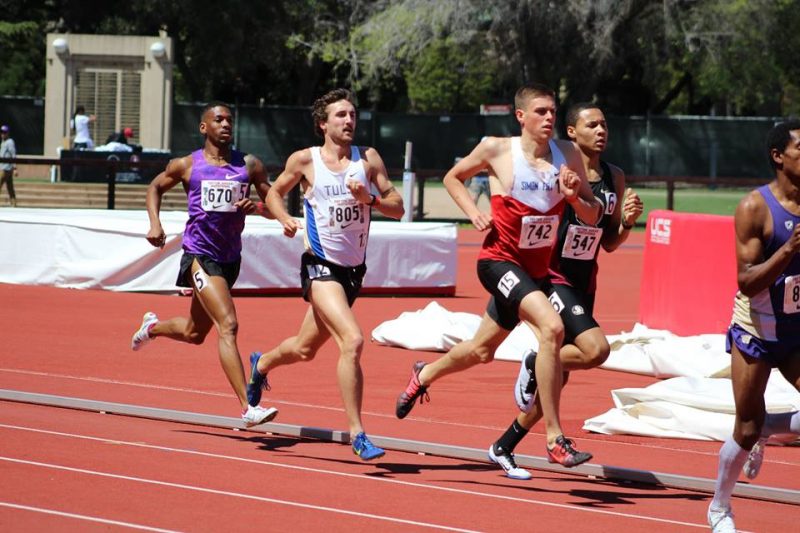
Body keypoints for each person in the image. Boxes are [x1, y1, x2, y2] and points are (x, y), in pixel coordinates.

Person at [394, 83, 603, 467]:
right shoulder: (497, 149)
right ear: (520, 116)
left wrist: (574, 197)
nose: (549, 118)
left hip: (536, 273)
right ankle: (555, 437)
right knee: (552, 329)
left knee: (480, 350)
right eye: (541, 112)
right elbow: (453, 177)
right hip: (498, 262)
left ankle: (423, 375)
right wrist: (472, 213)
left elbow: (593, 214)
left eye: (553, 112)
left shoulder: (567, 154)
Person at [247, 88, 404, 461]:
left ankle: (262, 363)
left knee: (304, 349)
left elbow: (397, 207)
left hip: (352, 273)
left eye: (352, 115)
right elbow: (274, 192)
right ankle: (358, 434)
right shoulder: (305, 161)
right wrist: (285, 217)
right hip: (319, 267)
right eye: (340, 116)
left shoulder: (367, 160)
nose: (349, 121)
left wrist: (371, 201)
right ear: (323, 124)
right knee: (352, 340)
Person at [487, 103, 643, 479]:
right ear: (572, 133)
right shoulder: (556, 169)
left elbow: (608, 243)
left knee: (553, 384)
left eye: (605, 123)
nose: (602, 130)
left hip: (585, 280)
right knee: (596, 349)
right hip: (552, 276)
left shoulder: (614, 177)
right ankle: (532, 361)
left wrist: (627, 224)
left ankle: (503, 446)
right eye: (592, 124)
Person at [129, 101, 278, 428]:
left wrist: (257, 207)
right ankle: (247, 407)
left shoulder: (249, 165)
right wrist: (154, 224)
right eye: (219, 119)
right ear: (204, 127)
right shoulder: (186, 165)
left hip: (229, 259)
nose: (226, 125)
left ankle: (151, 327)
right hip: (199, 256)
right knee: (229, 325)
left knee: (195, 332)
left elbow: (272, 203)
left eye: (230, 120)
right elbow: (154, 187)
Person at [707, 120, 800, 533]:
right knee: (744, 428)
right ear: (779, 156)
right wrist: (790, 249)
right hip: (757, 330)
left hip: (797, 330)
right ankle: (719, 507)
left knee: (757, 425)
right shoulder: (754, 208)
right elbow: (746, 280)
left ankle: (772, 426)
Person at [0, 125, 17, 207]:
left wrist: (15, 168)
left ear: (8, 133)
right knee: (10, 186)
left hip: (6, 168)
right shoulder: (3, 142)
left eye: (4, 132)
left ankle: (13, 202)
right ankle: (13, 203)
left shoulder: (10, 142)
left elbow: (13, 155)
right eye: (2, 132)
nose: (2, 134)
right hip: (3, 167)